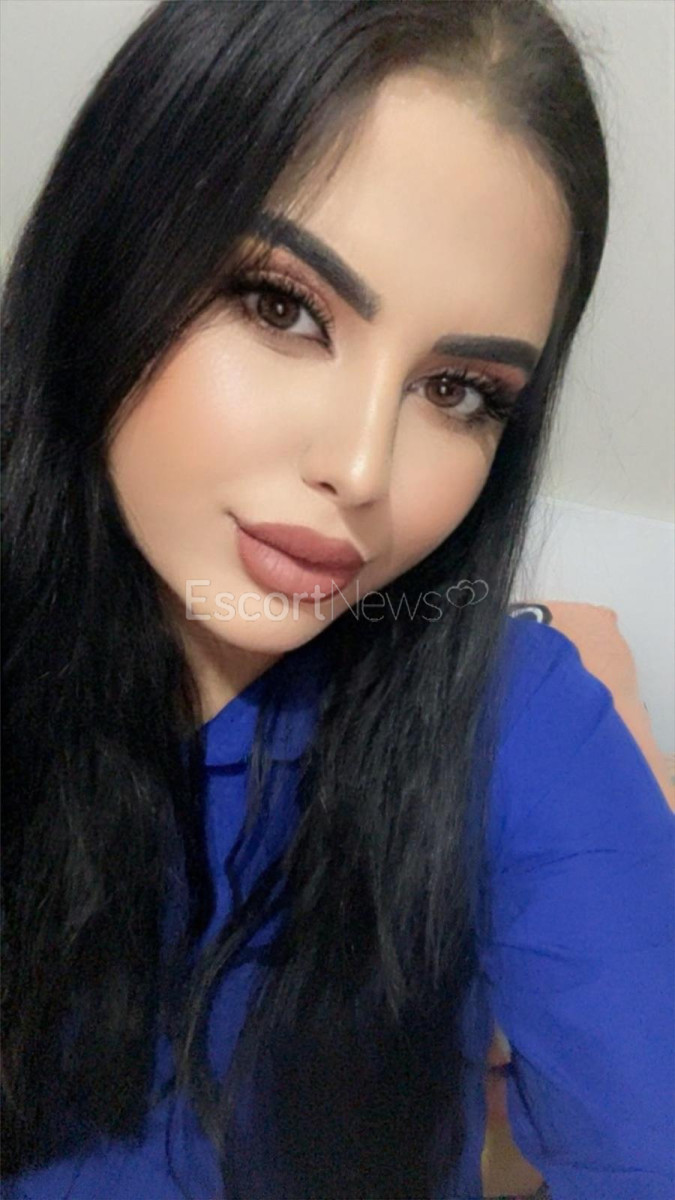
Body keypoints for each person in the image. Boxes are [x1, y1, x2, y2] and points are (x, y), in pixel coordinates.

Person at [1, 1, 673, 1198]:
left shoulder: (518, 723)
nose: (362, 469)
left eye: (459, 390)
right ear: (108, 262)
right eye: (282, 306)